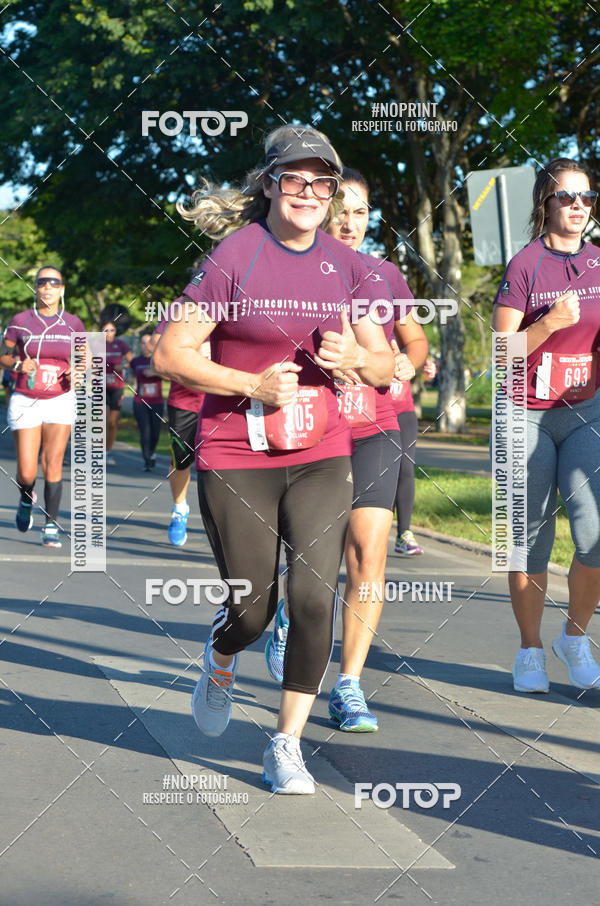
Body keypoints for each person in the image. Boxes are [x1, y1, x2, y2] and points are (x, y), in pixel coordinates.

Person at [152, 125, 394, 793]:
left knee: (315, 598)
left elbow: (387, 361)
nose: (310, 193)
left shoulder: (350, 268)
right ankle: (224, 651)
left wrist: (360, 361)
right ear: (269, 184)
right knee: (253, 612)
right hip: (236, 453)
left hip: (321, 451)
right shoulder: (236, 256)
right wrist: (249, 385)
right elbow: (171, 354)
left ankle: (285, 744)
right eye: (296, 179)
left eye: (323, 182)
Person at [264, 168, 428, 730]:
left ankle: (351, 684)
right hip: (314, 426)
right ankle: (291, 611)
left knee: (369, 556)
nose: (351, 223)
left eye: (361, 213)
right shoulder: (292, 269)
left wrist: (400, 362)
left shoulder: (381, 275)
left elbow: (403, 345)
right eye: (343, 213)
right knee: (312, 558)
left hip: (376, 424)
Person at [491, 157, 600, 692]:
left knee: (596, 533)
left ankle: (574, 638)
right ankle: (530, 649)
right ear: (546, 203)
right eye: (566, 197)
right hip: (524, 413)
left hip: (587, 413)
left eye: (586, 197)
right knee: (529, 539)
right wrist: (550, 323)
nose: (577, 206)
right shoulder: (524, 266)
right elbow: (501, 352)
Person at [0, 265, 86, 547]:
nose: (48, 287)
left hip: (60, 398)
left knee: (53, 463)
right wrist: (16, 363)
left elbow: (85, 358)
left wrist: (79, 371)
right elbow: (3, 353)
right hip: (26, 398)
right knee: (27, 471)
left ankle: (51, 523)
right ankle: (26, 497)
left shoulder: (73, 323)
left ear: (62, 289)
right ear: (35, 288)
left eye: (54, 283)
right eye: (42, 283)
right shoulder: (21, 320)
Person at [149, 318, 205, 545]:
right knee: (181, 459)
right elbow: (155, 347)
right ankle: (180, 508)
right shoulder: (180, 309)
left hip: (222, 398)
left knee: (220, 463)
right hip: (184, 401)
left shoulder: (232, 306)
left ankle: (220, 517)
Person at [392, 354, 436, 556]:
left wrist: (426, 366)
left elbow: (418, 353)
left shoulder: (404, 328)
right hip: (370, 412)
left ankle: (403, 533)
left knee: (405, 469)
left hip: (403, 411)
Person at [130, 330, 165, 471]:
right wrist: (131, 380)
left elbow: (172, 377)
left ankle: (152, 452)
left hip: (157, 402)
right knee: (145, 431)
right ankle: (147, 459)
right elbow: (131, 376)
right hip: (140, 402)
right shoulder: (135, 361)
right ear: (140, 345)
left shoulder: (159, 360)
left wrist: (155, 372)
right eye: (143, 343)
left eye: (149, 343)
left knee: (155, 433)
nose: (146, 346)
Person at [101, 319, 132, 466]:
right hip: (100, 387)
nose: (108, 333)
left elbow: (132, 361)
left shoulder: (121, 345)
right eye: (105, 330)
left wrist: (123, 367)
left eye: (111, 330)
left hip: (117, 387)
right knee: (104, 420)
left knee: (113, 422)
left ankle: (108, 451)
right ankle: (100, 451)